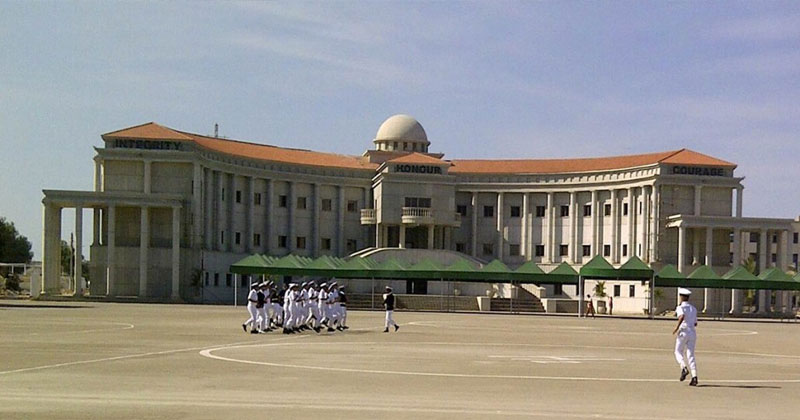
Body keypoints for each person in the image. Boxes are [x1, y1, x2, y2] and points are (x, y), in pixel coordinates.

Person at [673, 288, 699, 386]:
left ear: (681, 297)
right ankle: (694, 376)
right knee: (690, 354)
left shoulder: (680, 307)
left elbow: (681, 316)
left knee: (678, 351)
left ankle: (683, 367)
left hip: (683, 331)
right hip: (692, 332)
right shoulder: (693, 308)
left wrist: (677, 327)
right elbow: (695, 323)